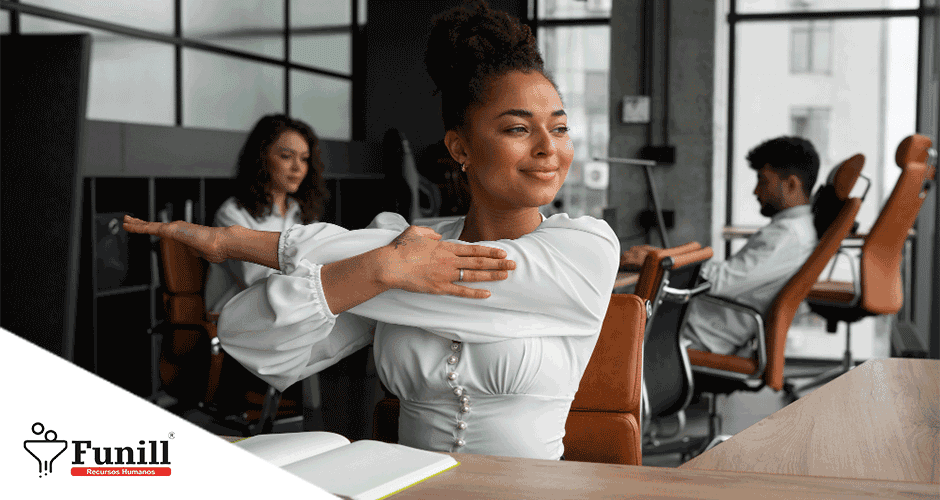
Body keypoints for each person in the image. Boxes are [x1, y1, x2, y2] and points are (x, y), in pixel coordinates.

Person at [124, 0, 619, 460]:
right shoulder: (398, 243)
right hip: (406, 487)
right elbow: (246, 333)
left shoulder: (585, 249)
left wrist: (239, 243)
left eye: (558, 127)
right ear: (460, 148)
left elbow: (457, 273)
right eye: (518, 128)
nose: (548, 149)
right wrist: (380, 266)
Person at [622, 136, 820, 356]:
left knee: (609, 317)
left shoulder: (788, 235)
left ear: (791, 184)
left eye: (763, 180)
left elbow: (720, 281)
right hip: (698, 322)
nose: (756, 191)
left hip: (696, 332)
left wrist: (659, 260)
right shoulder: (798, 230)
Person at [204, 114, 330, 315]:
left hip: (291, 310)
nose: (298, 168)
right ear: (261, 157)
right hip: (239, 317)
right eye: (286, 156)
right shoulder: (232, 214)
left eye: (304, 159)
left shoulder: (301, 213)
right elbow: (257, 279)